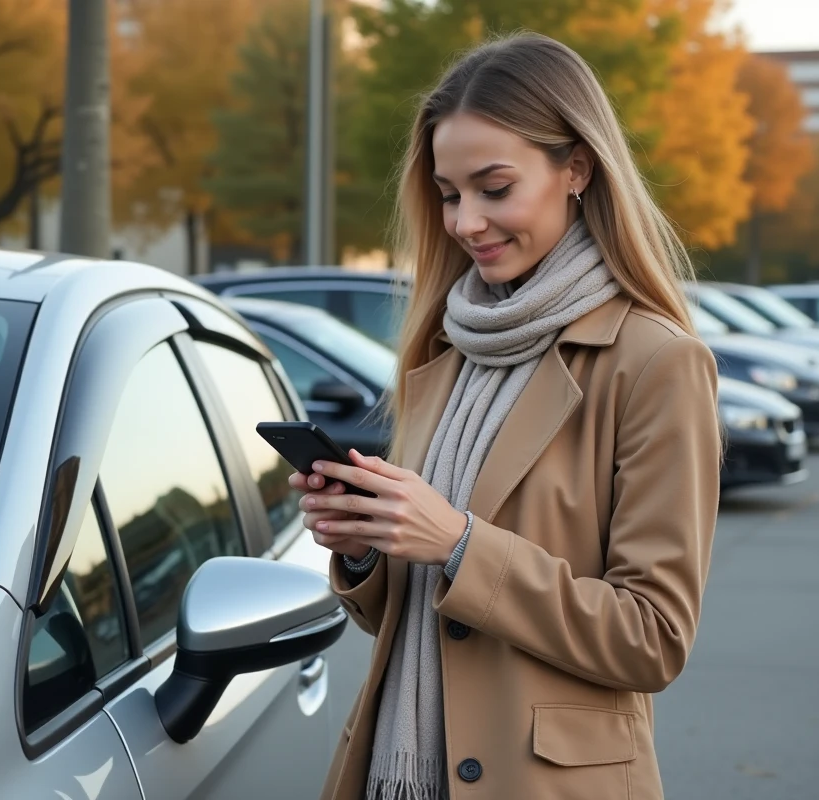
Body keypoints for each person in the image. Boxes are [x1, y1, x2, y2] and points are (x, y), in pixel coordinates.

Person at [291, 32, 722, 800]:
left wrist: (458, 544)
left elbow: (652, 639)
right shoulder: (446, 347)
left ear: (577, 169)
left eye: (494, 188)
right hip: (395, 771)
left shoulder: (655, 362)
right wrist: (366, 550)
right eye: (450, 194)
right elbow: (414, 620)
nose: (464, 222)